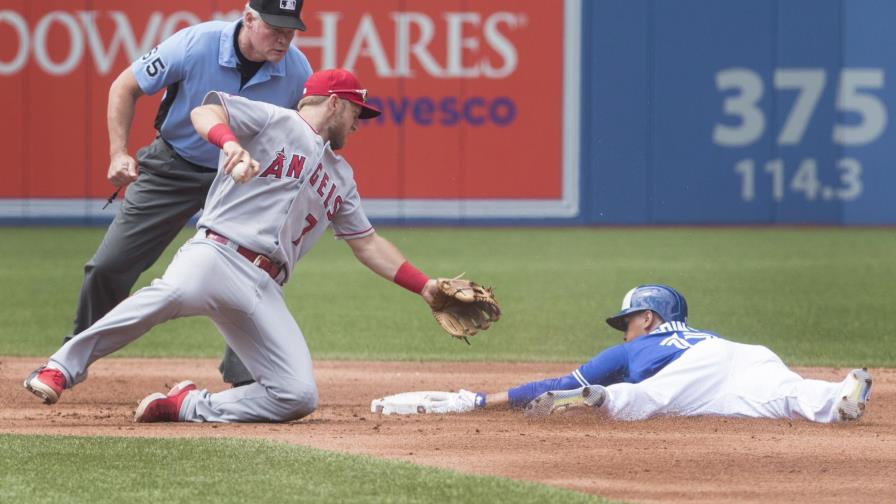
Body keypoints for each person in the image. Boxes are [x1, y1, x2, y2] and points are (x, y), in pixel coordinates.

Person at [25, 68, 451, 424]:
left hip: (265, 288)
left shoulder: (342, 177)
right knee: (168, 294)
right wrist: (228, 143)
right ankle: (61, 366)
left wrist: (426, 287)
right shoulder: (275, 120)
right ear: (335, 103)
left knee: (297, 395)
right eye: (358, 111)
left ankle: (187, 405)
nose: (360, 124)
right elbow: (205, 109)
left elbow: (368, 244)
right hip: (217, 253)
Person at [67, 0, 313, 388]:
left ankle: (247, 374)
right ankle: (71, 358)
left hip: (241, 179)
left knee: (253, 272)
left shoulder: (297, 70)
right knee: (109, 266)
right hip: (174, 165)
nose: (284, 38)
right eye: (274, 27)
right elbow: (124, 86)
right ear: (248, 19)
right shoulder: (197, 43)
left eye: (290, 29)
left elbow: (305, 134)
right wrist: (118, 152)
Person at [374, 284, 873, 424]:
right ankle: (840, 395)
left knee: (636, 398)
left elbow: (554, 385)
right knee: (785, 394)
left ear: (649, 319)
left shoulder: (641, 346)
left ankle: (599, 401)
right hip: (744, 357)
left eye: (629, 319)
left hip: (680, 377)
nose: (626, 328)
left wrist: (480, 402)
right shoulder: (703, 335)